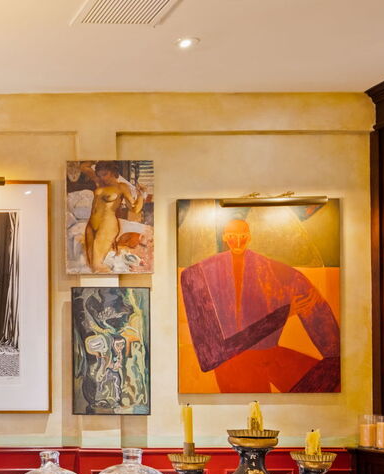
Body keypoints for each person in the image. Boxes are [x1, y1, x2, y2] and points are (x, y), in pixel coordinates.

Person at [179, 218, 340, 392]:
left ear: (249, 237)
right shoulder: (195, 276)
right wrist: (283, 314)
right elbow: (211, 355)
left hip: (270, 356)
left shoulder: (270, 269)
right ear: (225, 237)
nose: (238, 242)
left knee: (333, 378)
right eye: (233, 236)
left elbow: (314, 310)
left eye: (243, 236)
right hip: (233, 366)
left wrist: (335, 357)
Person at [84, 161, 144, 272]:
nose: (102, 178)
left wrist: (140, 195)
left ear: (112, 172)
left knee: (97, 266)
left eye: (105, 174)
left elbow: (135, 209)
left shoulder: (121, 187)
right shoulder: (99, 182)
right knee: (91, 266)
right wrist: (95, 160)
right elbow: (83, 167)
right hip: (91, 226)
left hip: (107, 225)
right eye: (100, 175)